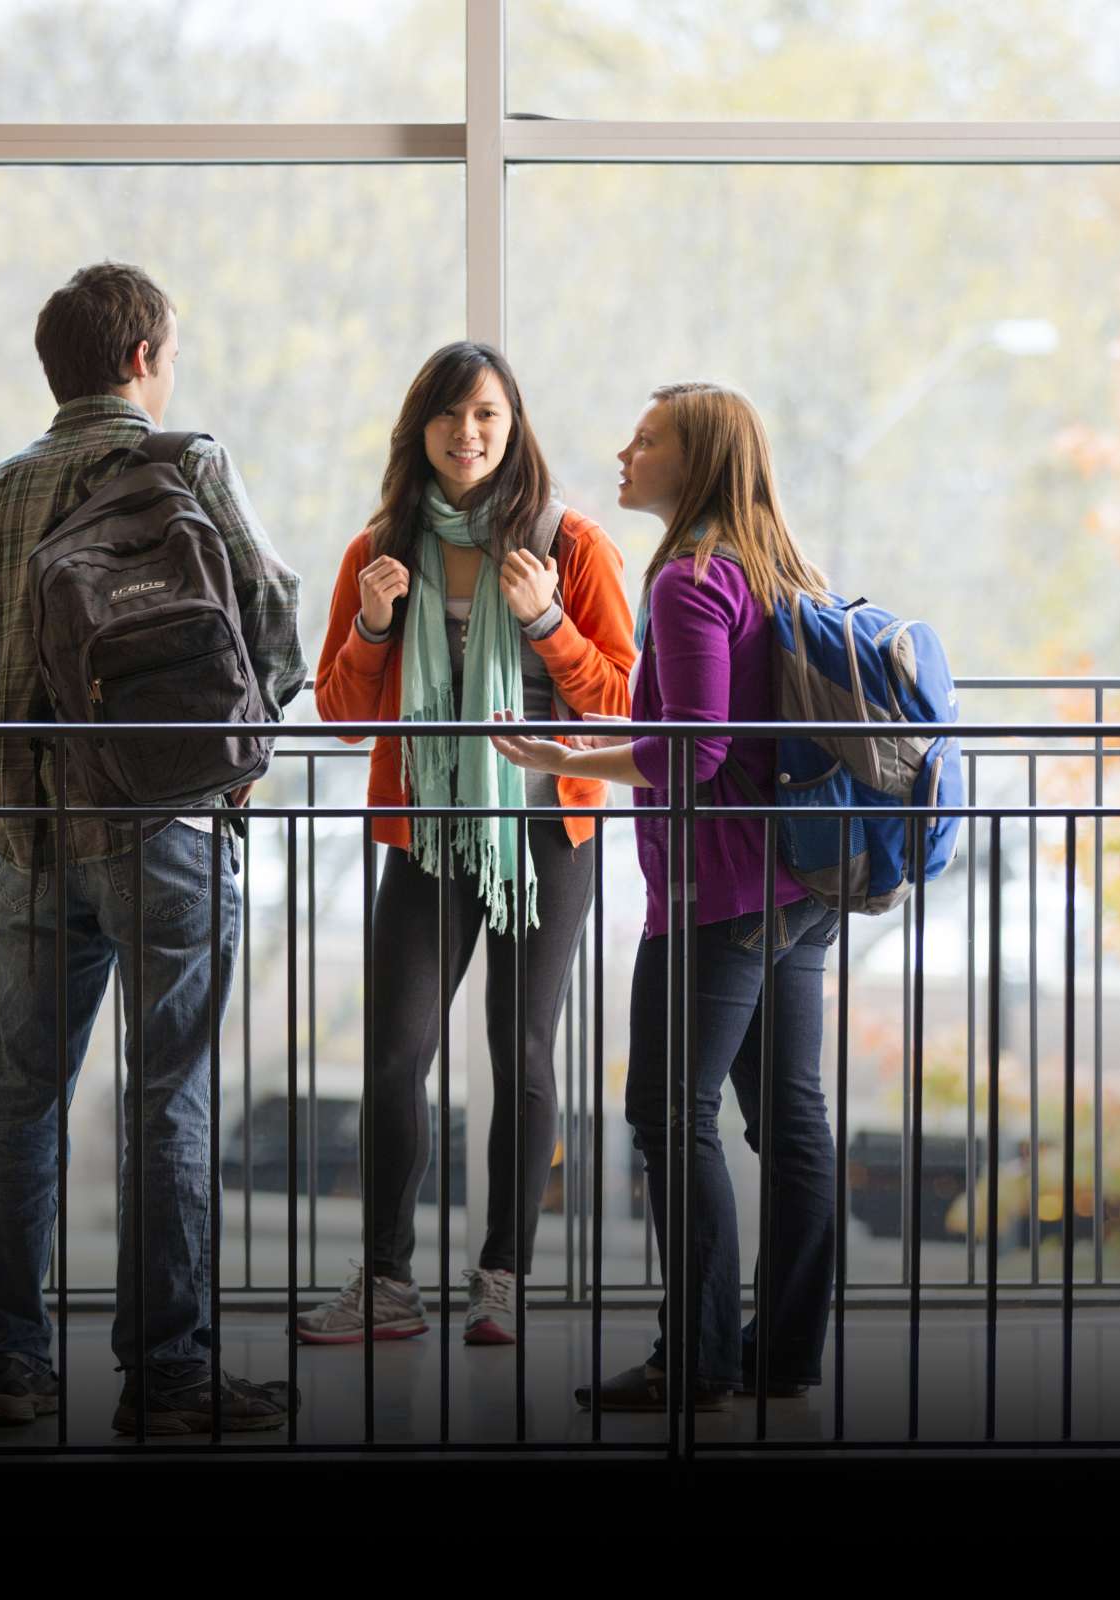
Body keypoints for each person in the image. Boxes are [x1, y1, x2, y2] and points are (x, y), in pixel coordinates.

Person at [0, 262, 307, 1435]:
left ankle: (8, 1367)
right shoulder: (185, 466)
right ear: (146, 356)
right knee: (168, 1098)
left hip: (35, 842)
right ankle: (166, 1378)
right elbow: (274, 634)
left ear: (55, 369)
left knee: (21, 1096)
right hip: (165, 833)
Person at [492, 381, 839, 1411]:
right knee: (792, 1121)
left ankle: (695, 1362)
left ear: (696, 464)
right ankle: (781, 1353)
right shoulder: (778, 568)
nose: (625, 451)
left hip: (720, 892)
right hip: (798, 884)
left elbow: (693, 754)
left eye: (649, 440)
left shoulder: (689, 580)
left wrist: (567, 756)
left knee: (667, 1112)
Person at [300, 342, 636, 1347]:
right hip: (427, 833)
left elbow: (625, 701)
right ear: (421, 432)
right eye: (449, 416)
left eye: (487, 414)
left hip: (546, 833)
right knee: (398, 1053)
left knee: (522, 1049)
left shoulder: (570, 545)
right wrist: (370, 624)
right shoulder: (380, 549)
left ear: (514, 422)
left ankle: (503, 1277)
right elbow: (342, 714)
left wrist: (544, 625)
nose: (469, 434)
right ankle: (389, 1283)